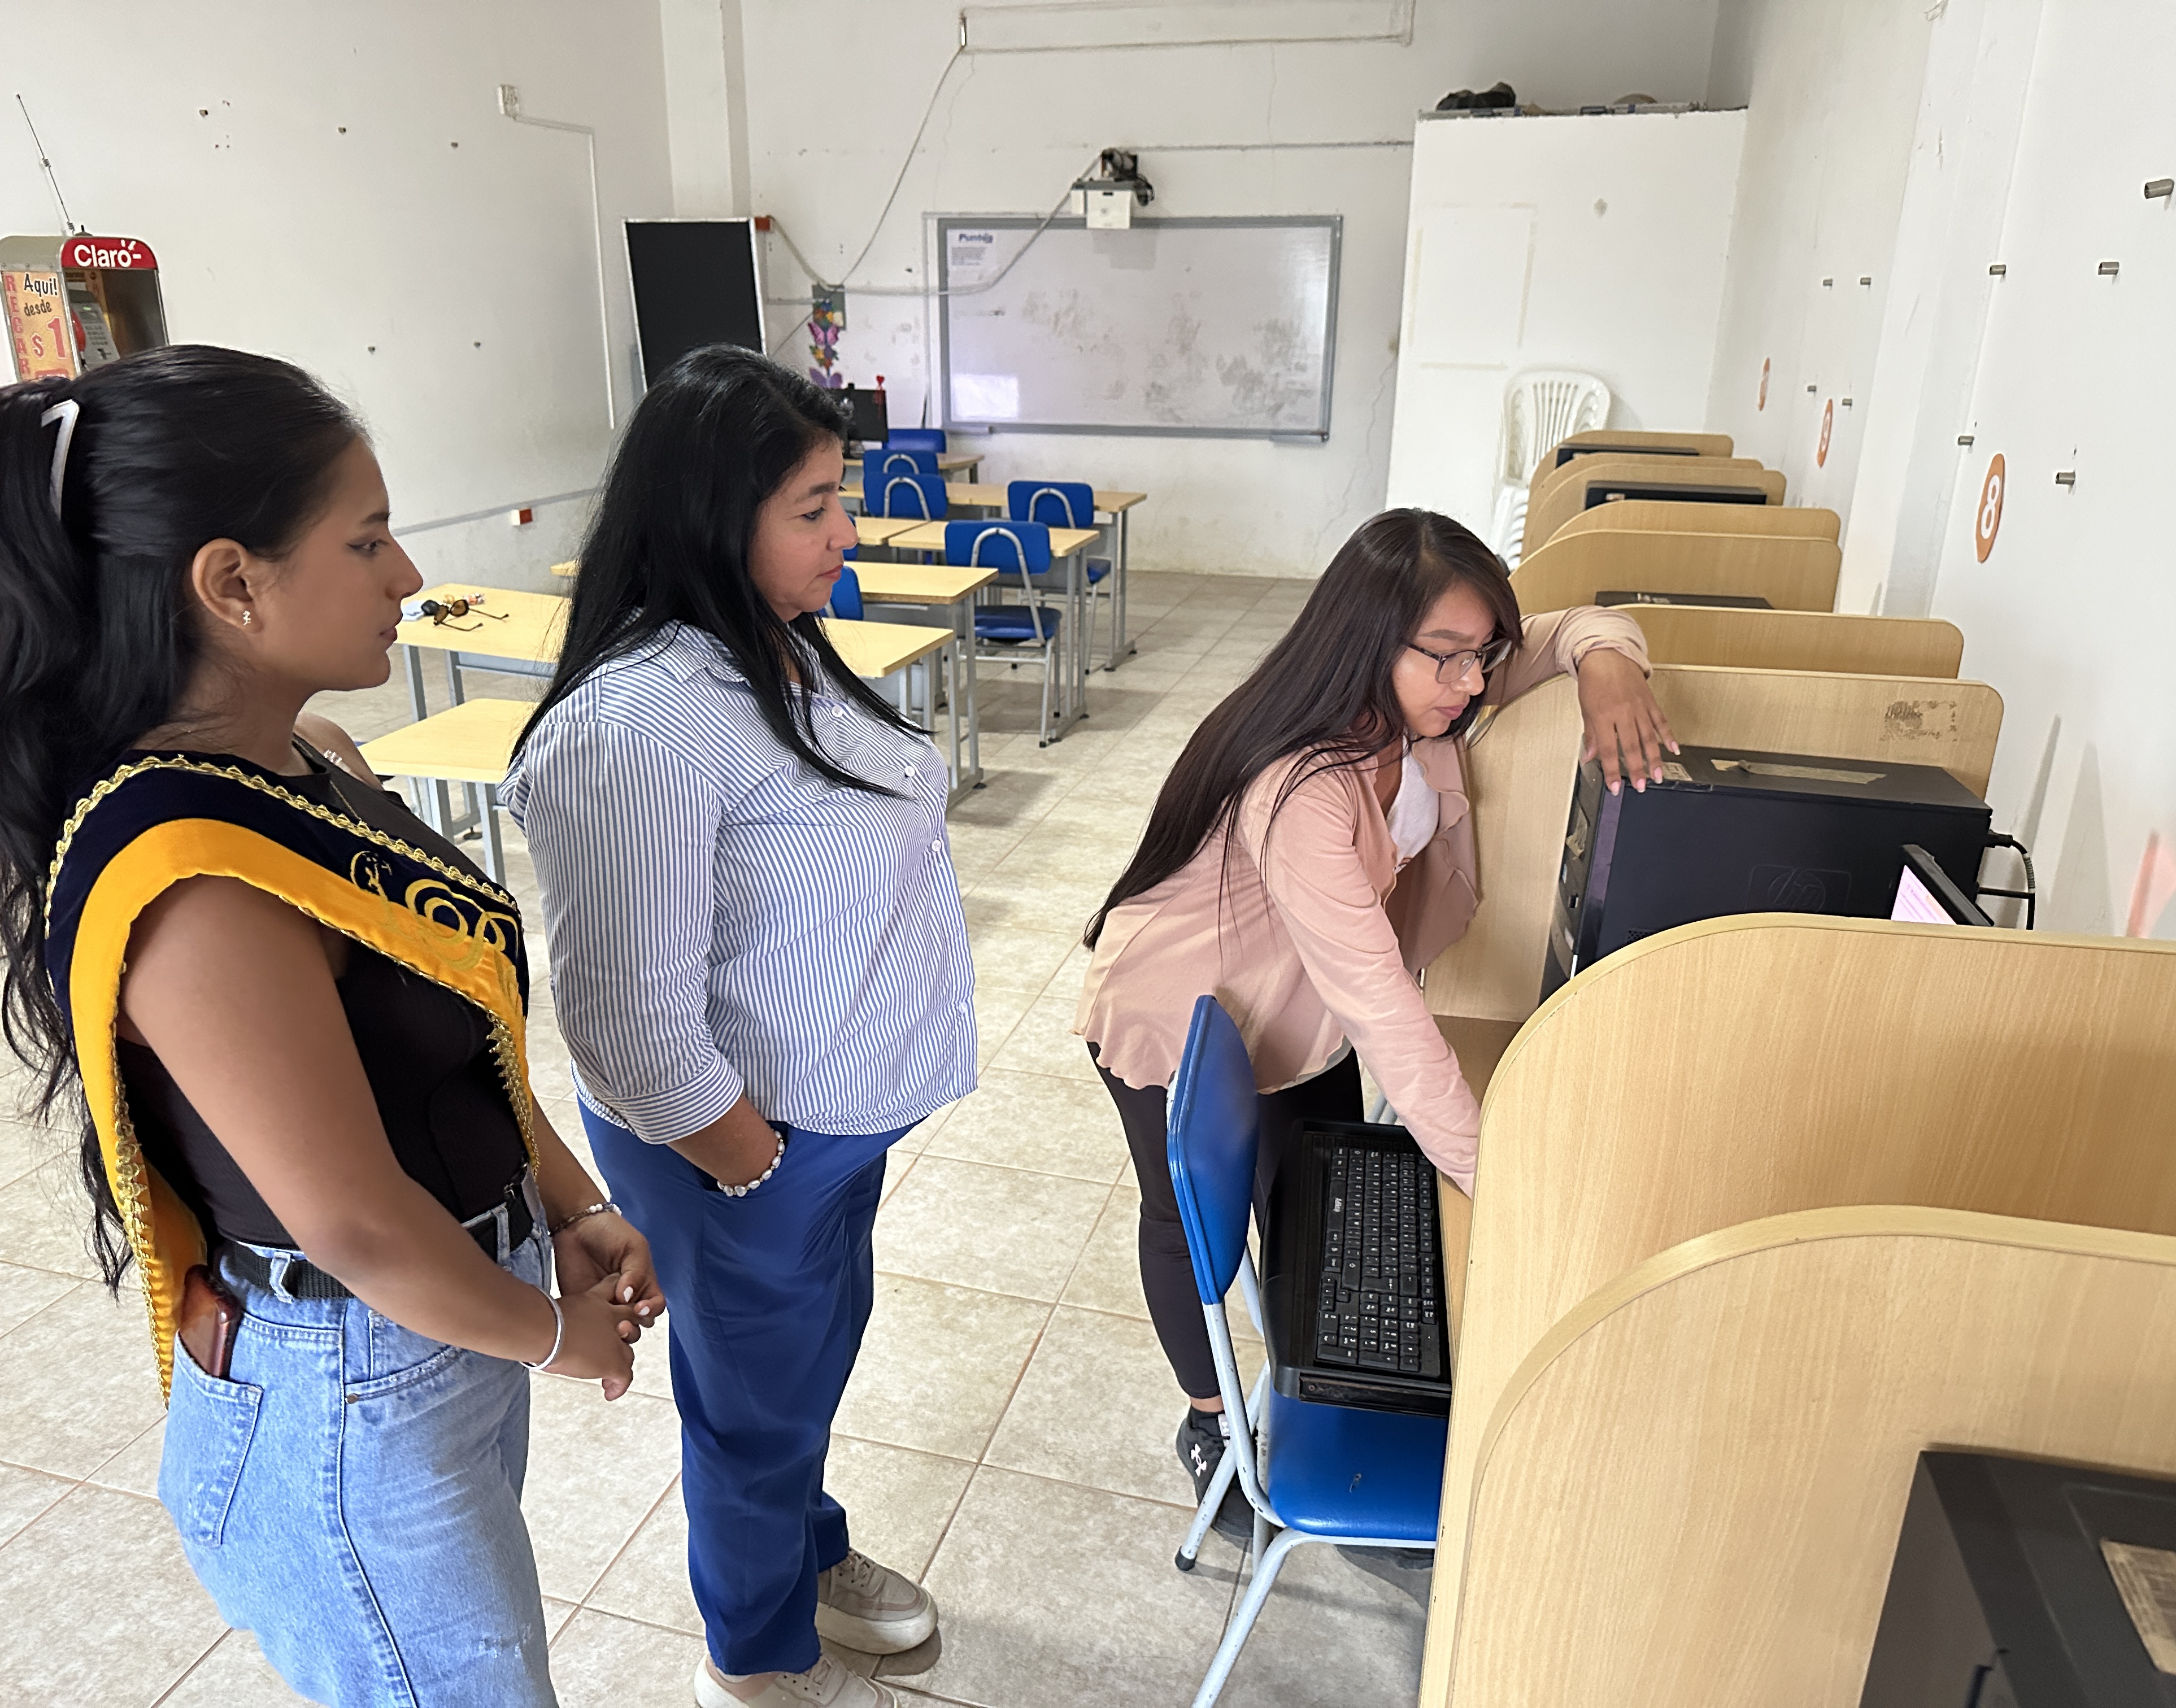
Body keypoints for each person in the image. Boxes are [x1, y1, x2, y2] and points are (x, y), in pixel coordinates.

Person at [0, 345, 663, 1707]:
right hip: (355, 1374)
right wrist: (552, 1335)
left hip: (440, 1323)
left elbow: (448, 1029)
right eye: (367, 540)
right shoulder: (197, 877)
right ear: (233, 583)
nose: (406, 576)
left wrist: (566, 1201)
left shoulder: (309, 762)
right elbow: (356, 1223)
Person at [503, 345, 975, 1708]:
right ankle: (756, 1658)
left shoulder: (766, 647)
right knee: (752, 1407)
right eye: (814, 508)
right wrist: (751, 1162)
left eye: (843, 499)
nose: (848, 534)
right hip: (742, 1145)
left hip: (822, 1130)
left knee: (797, 1379)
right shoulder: (638, 723)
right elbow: (625, 1020)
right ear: (715, 516)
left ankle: (803, 1556)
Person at [1074, 508, 1669, 1537]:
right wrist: (1498, 1178)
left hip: (1302, 1005)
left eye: (1484, 654)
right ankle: (1210, 1421)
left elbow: (1578, 628)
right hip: (1181, 1009)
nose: (1473, 681)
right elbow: (1382, 1005)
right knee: (1192, 1223)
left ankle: (1319, 1400)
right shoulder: (1301, 784)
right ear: (1368, 639)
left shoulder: (1427, 697)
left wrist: (1611, 664)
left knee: (1318, 1214)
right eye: (1448, 655)